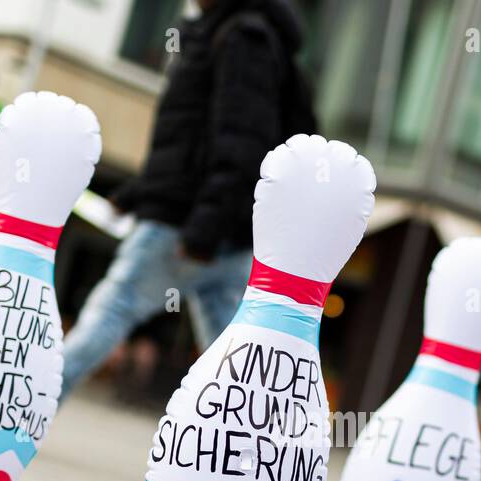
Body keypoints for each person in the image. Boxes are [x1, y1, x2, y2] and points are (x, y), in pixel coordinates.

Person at [60, 0, 309, 394]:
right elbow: (190, 140)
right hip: (217, 232)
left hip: (185, 228)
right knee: (235, 359)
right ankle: (247, 445)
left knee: (112, 312)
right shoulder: (217, 30)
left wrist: (203, 232)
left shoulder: (243, 36)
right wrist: (136, 192)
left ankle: (20, 414)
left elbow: (242, 141)